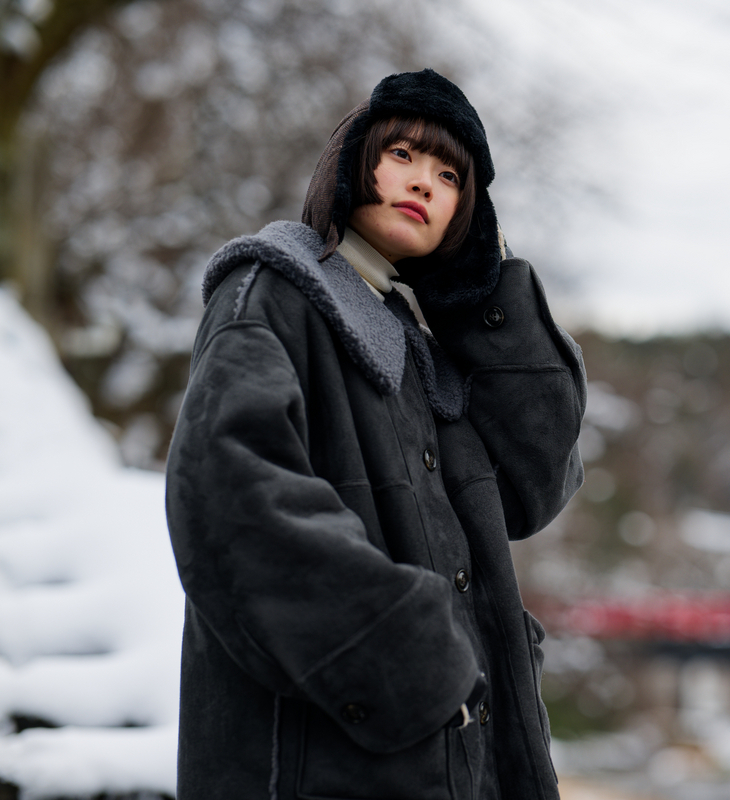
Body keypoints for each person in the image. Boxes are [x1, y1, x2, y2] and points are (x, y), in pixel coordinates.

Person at [165, 69, 584, 800]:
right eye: (402, 155)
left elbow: (534, 482)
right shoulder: (273, 293)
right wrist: (412, 656)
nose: (423, 182)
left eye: (450, 177)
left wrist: (479, 291)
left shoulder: (423, 352)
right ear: (351, 162)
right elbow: (230, 499)